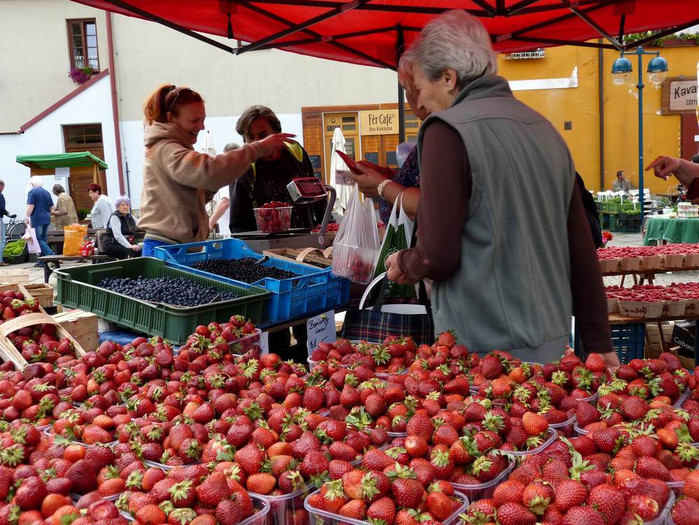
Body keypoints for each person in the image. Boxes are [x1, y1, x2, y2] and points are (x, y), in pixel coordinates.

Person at [384, 10, 618, 370]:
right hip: (551, 344)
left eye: (421, 88)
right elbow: (580, 248)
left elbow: (437, 256)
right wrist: (600, 343)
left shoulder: (445, 130)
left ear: (448, 78)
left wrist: (404, 261)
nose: (420, 103)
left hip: (482, 352)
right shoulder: (545, 130)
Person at [138, 85, 294, 257]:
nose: (202, 126)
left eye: (203, 119)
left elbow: (190, 195)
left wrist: (221, 178)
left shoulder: (172, 147)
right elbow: (209, 171)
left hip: (177, 247)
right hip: (165, 249)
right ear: (171, 118)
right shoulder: (166, 149)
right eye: (194, 120)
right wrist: (258, 148)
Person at [229, 105, 326, 233]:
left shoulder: (296, 151)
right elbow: (238, 226)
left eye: (263, 135)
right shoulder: (243, 167)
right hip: (264, 248)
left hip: (305, 242)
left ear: (276, 133)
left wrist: (326, 227)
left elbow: (316, 195)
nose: (257, 142)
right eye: (251, 137)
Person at [351, 64, 426, 222]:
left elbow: (426, 205)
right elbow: (418, 180)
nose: (411, 97)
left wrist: (381, 185)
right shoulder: (434, 130)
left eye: (408, 88)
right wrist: (385, 175)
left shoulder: (442, 132)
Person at [208, 142, 239, 236]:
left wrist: (209, 223)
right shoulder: (241, 172)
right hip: (237, 230)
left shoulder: (230, 175)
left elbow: (225, 202)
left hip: (231, 232)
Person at [25, 176, 55, 265]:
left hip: (37, 218)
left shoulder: (32, 192)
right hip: (47, 217)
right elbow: (52, 207)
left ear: (33, 183)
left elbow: (31, 206)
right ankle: (42, 261)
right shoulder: (46, 192)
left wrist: (26, 217)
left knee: (38, 239)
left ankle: (51, 254)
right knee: (43, 239)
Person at [0, 180, 17, 267]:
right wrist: (8, 214)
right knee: (2, 240)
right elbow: (1, 207)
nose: (3, 189)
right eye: (3, 187)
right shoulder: (0, 195)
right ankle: (0, 260)